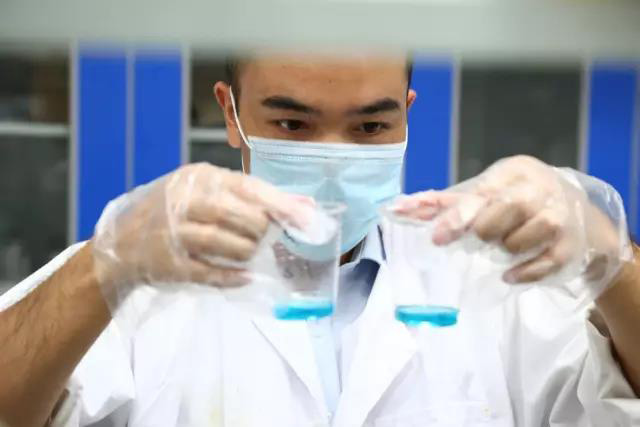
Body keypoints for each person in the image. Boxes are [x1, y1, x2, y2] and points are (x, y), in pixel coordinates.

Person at [0, 53, 639, 427]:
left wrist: (612, 260)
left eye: (369, 127)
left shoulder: (489, 278)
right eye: (292, 123)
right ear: (230, 112)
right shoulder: (133, 270)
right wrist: (103, 265)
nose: (332, 159)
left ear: (407, 112)